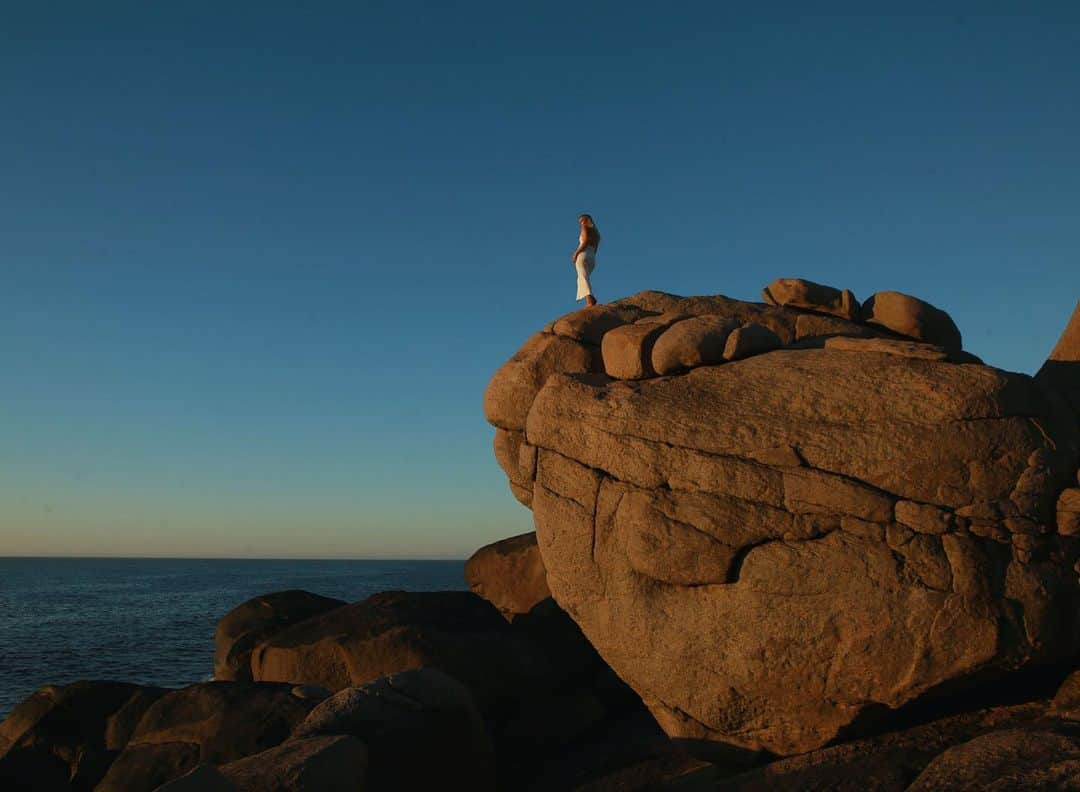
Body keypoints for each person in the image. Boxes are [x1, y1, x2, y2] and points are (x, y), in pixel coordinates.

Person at [571, 214, 600, 307]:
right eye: (580, 222)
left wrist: (576, 253)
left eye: (582, 221)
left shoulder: (584, 227)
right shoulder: (596, 233)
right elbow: (595, 248)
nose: (581, 224)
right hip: (592, 256)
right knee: (583, 277)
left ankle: (590, 301)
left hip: (583, 254)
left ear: (587, 220)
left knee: (583, 277)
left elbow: (585, 240)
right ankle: (590, 298)